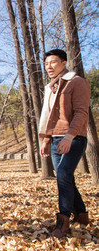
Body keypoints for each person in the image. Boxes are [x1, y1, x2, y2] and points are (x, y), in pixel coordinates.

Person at [39, 49, 91, 239]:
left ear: (64, 62)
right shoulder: (51, 87)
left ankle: (63, 222)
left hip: (74, 137)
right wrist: (46, 139)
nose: (49, 67)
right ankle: (82, 216)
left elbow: (81, 113)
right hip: (55, 138)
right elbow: (50, 116)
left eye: (53, 62)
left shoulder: (77, 82)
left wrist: (70, 136)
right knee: (66, 177)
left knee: (62, 174)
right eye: (46, 64)